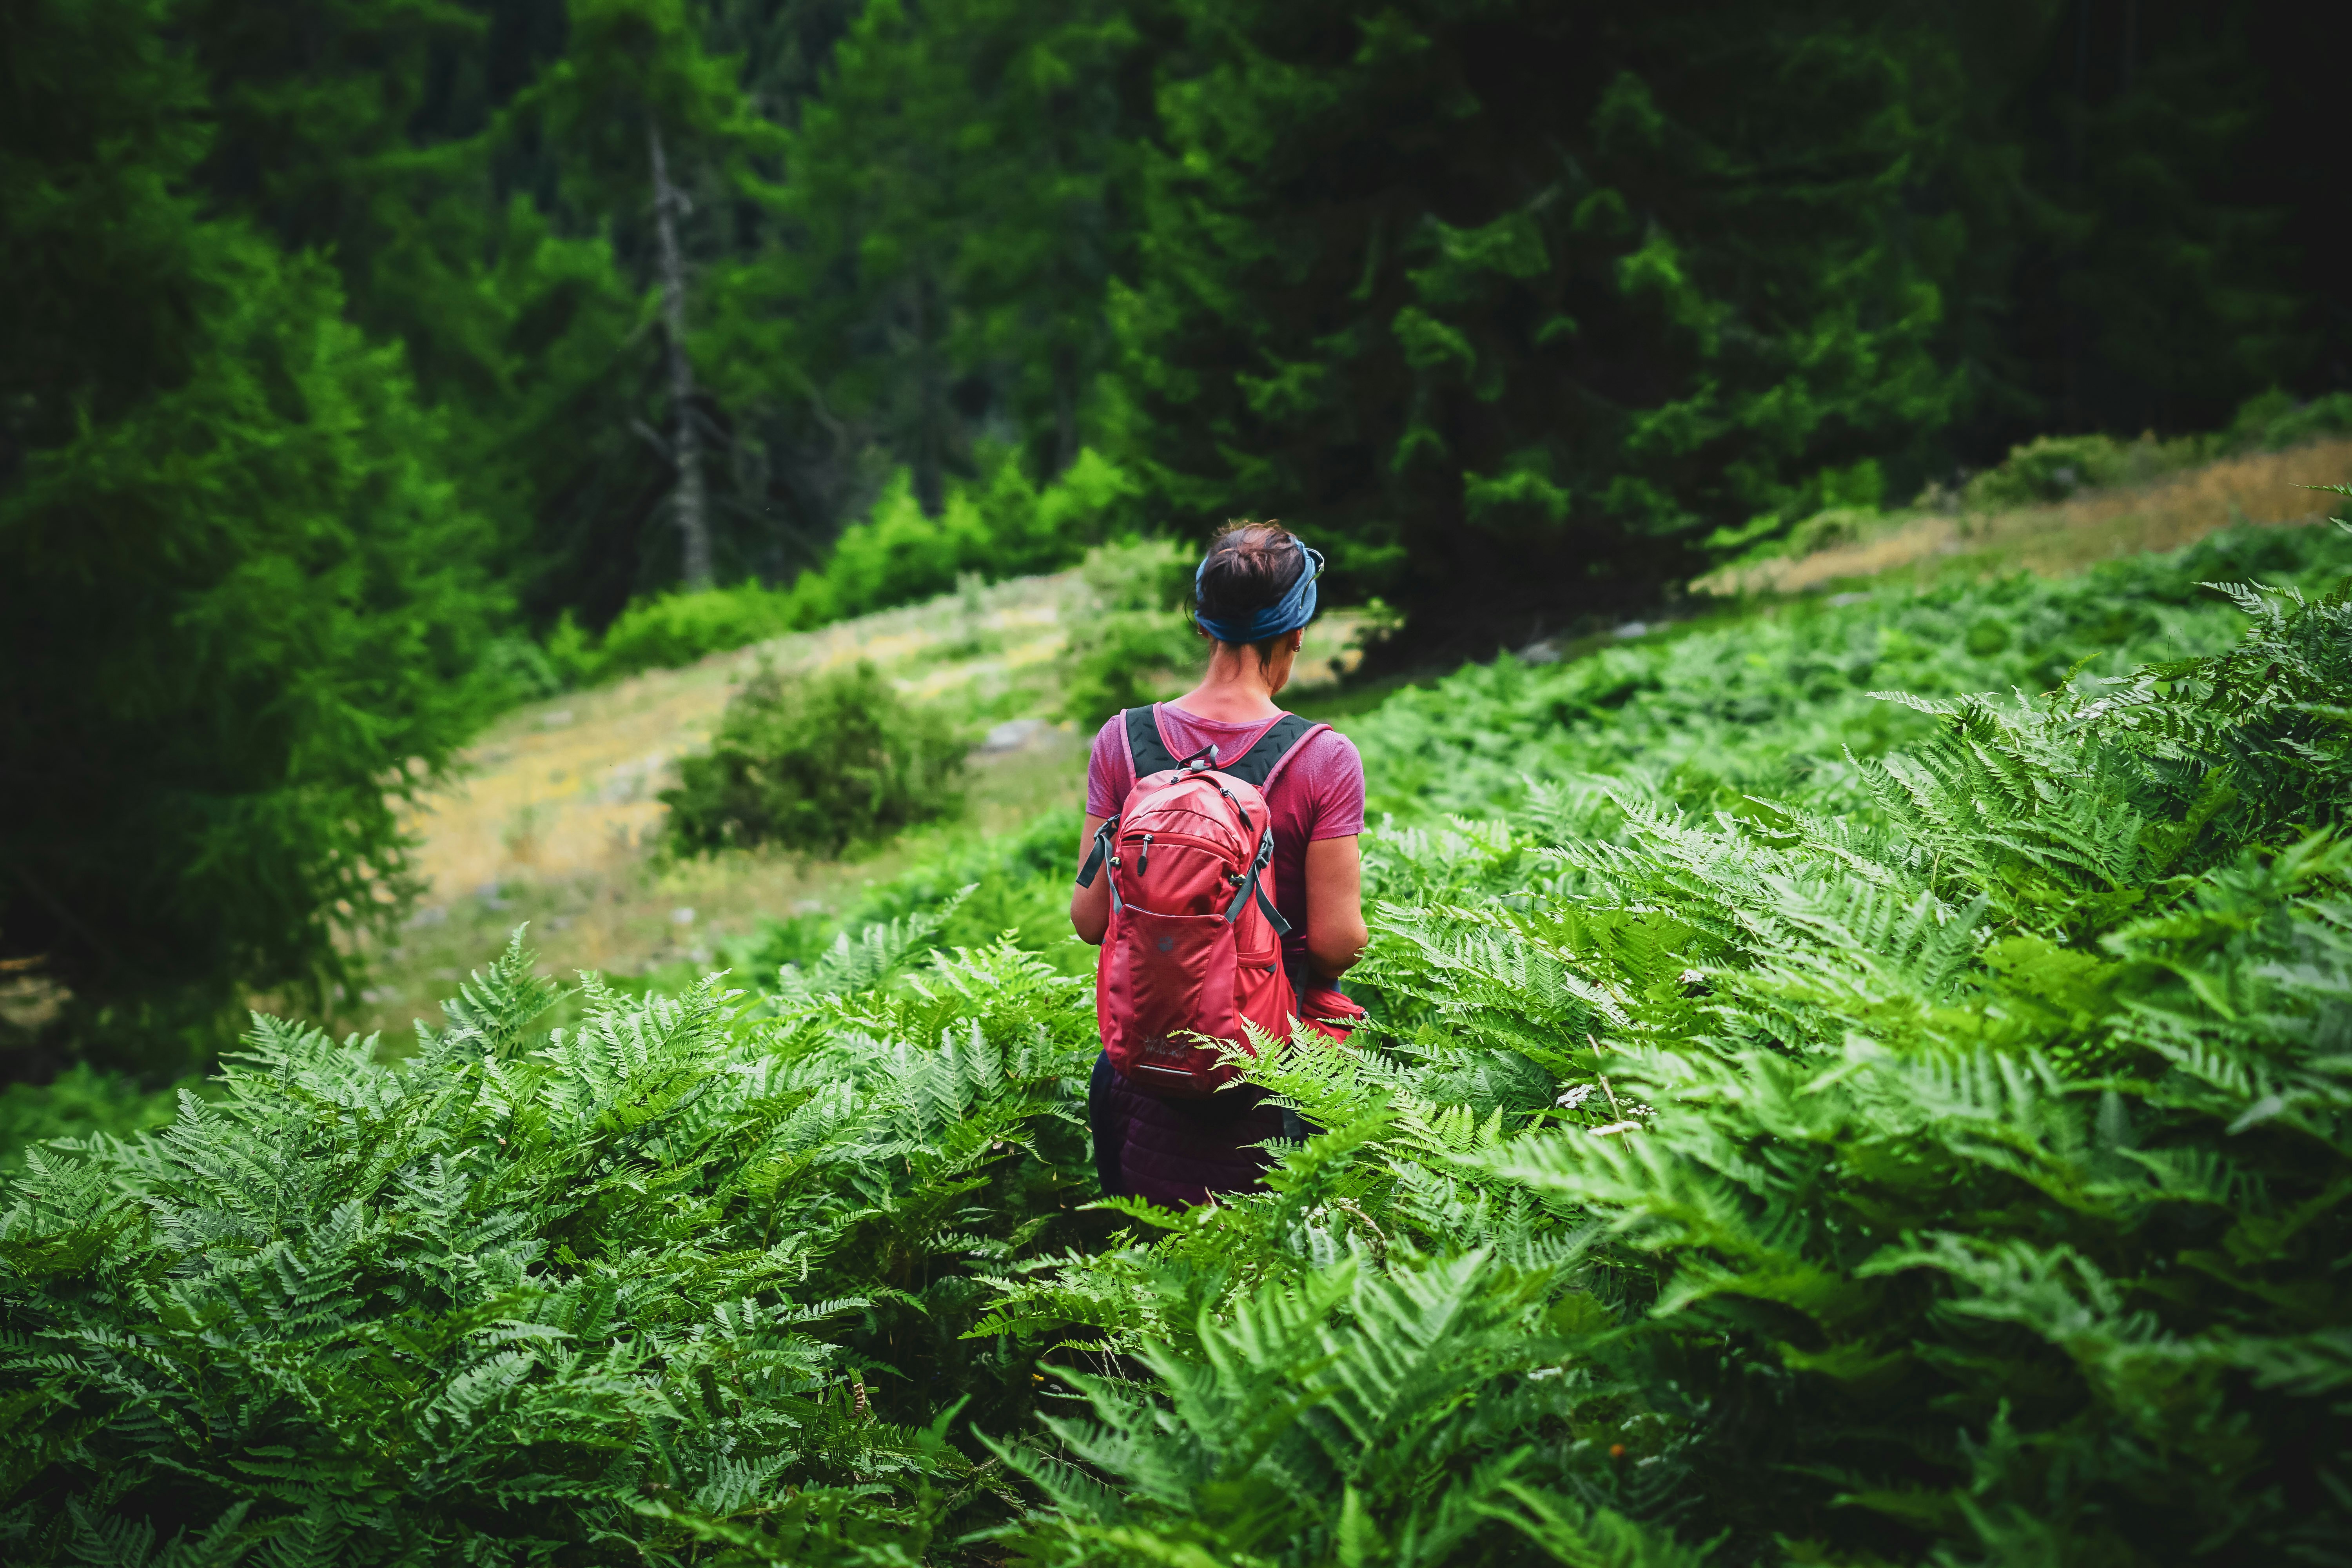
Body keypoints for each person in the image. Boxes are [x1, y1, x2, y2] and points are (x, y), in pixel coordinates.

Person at [1070, 522, 1368, 1209]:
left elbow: (1089, 920)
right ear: (1297, 633)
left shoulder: (1122, 740)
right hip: (1270, 1080)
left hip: (1139, 1076)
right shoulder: (1324, 758)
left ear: (1203, 625)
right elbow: (1335, 942)